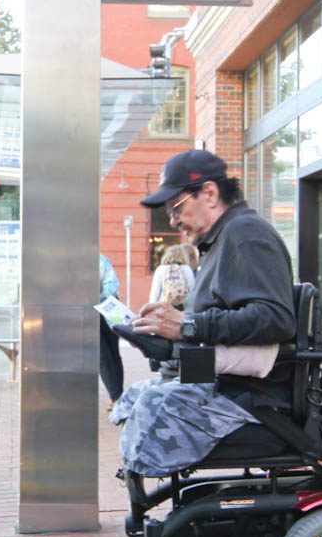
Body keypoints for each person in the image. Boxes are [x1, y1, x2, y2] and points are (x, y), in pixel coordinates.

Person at [110, 149, 296, 475]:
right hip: (222, 385)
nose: (173, 221)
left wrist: (188, 325)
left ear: (209, 193)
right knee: (135, 398)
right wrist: (170, 320)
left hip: (249, 397)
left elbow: (275, 318)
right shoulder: (220, 241)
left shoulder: (245, 234)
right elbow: (221, 314)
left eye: (177, 207)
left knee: (149, 413)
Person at [98, 253, 124, 401]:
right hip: (110, 310)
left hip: (99, 309)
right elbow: (112, 285)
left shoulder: (97, 260)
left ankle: (116, 397)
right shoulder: (102, 259)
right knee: (113, 354)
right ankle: (118, 396)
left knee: (104, 357)